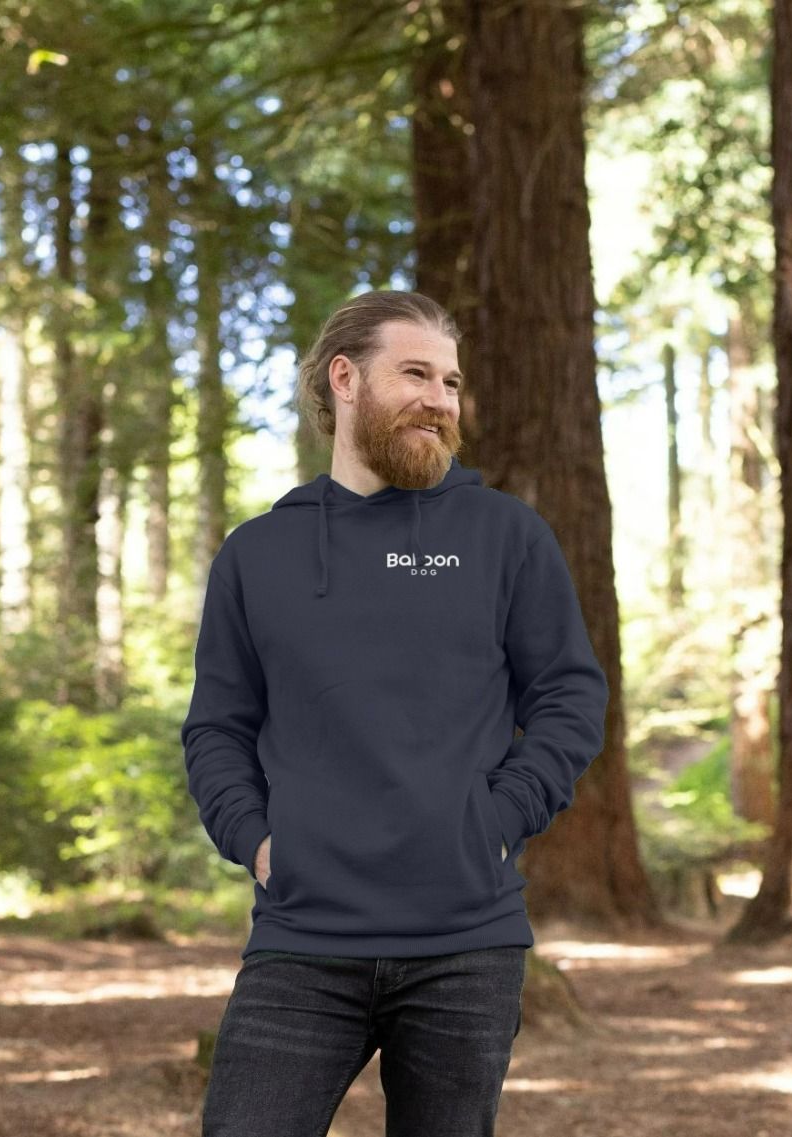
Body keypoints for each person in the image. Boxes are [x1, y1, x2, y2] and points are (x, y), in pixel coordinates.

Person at [181, 289, 608, 1136]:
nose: (442, 401)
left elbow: (569, 694)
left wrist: (498, 817)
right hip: (302, 937)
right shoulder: (257, 554)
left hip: (465, 942)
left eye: (451, 382)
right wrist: (260, 843)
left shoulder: (505, 536)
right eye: (416, 373)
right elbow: (217, 727)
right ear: (345, 378)